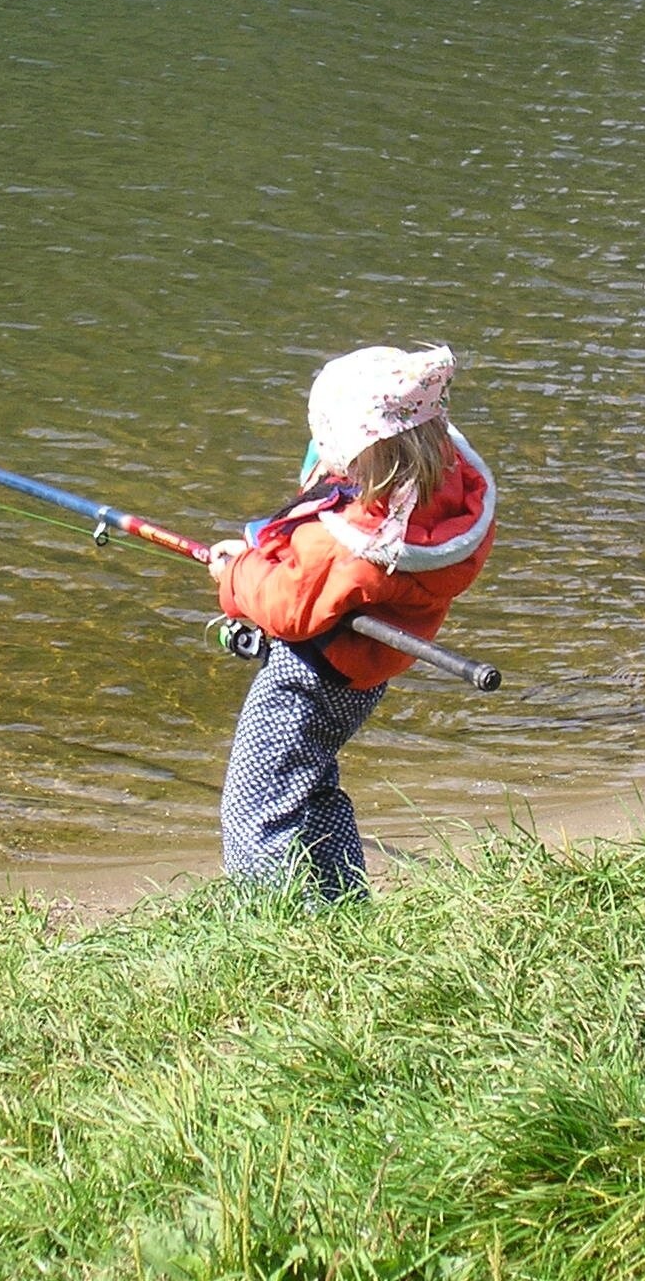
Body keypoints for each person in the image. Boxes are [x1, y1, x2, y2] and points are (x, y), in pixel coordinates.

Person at [205, 344, 496, 900]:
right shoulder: (442, 499)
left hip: (308, 676)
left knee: (257, 799)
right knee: (312, 785)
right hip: (360, 675)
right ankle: (340, 900)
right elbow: (318, 562)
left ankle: (275, 917)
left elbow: (287, 606)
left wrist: (235, 572)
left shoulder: (351, 546)